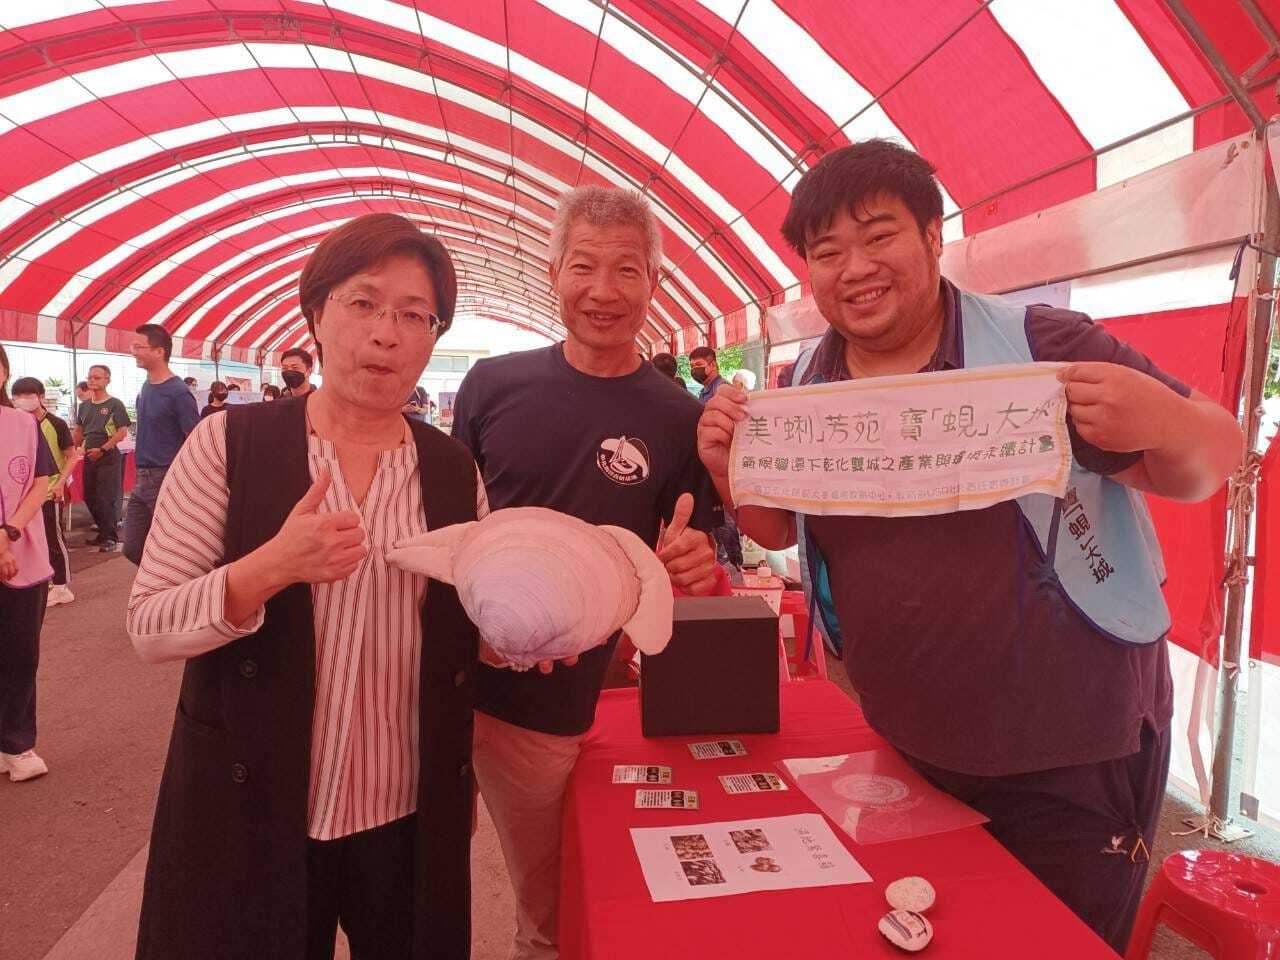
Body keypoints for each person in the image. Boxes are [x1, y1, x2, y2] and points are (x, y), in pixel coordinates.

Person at [696, 140, 1243, 953]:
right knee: (928, 937)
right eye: (827, 251)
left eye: (878, 235)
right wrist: (723, 462)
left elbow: (1211, 459)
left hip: (1070, 756)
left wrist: (1161, 417)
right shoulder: (810, 384)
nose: (855, 268)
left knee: (1054, 944)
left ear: (932, 236)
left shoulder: (1042, 344)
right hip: (905, 743)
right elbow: (782, 528)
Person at [127, 213, 483, 960]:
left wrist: (528, 632)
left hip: (406, 817)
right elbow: (151, 625)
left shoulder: (453, 469)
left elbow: (477, 622)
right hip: (252, 805)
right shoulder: (229, 444)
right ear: (315, 313)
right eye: (363, 303)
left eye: (415, 315)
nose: (387, 333)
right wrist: (271, 567)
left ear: (432, 337)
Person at [451, 185, 720, 960]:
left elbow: (681, 550)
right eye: (584, 267)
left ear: (656, 283)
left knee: (554, 903)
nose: (603, 292)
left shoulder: (676, 415)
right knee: (417, 880)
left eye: (627, 270)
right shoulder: (492, 386)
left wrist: (692, 563)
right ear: (552, 272)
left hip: (562, 704)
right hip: (452, 682)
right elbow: (449, 523)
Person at [0, 345, 62, 781]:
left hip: (22, 554)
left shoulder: (24, 424)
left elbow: (41, 482)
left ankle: (17, 745)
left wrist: (8, 534)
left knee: (21, 654)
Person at [123, 324, 200, 566]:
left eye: (139, 347)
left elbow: (194, 438)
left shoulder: (178, 392)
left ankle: (175, 593)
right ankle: (162, 586)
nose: (133, 352)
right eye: (132, 347)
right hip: (142, 476)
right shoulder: (146, 386)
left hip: (166, 475)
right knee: (133, 547)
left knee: (171, 546)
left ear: (159, 351)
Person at [10, 378, 75, 606]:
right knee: (35, 540)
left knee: (53, 539)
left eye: (28, 395)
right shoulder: (16, 424)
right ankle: (46, 579)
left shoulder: (55, 424)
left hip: (50, 493)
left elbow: (72, 455)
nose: (23, 400)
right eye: (18, 396)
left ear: (40, 396)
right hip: (26, 499)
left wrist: (61, 483)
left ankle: (62, 585)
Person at [74, 364, 130, 552]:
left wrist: (103, 449)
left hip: (107, 456)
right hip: (89, 456)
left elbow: (122, 432)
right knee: (90, 496)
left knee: (105, 497)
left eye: (97, 378)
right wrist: (73, 448)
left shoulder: (115, 404)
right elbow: (79, 431)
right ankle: (103, 532)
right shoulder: (84, 406)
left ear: (107, 380)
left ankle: (110, 537)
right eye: (90, 377)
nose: (92, 381)